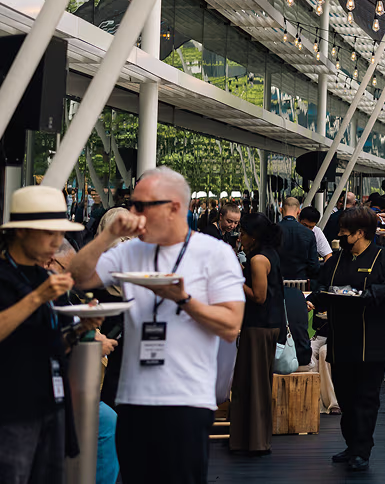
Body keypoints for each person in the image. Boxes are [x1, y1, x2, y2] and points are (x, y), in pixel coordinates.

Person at [66, 167, 245, 484]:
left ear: (173, 207)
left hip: (187, 400)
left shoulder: (215, 254)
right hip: (133, 399)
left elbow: (231, 325)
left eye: (141, 205)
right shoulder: (130, 250)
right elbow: (78, 276)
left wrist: (183, 299)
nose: (133, 212)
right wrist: (107, 235)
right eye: (131, 204)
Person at [0, 186, 92, 484]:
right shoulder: (7, 276)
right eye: (48, 233)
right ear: (22, 231)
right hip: (12, 412)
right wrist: (37, 298)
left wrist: (80, 329)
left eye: (59, 233)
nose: (57, 242)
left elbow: (49, 345)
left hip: (52, 404)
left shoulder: (44, 278)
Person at [314, 207, 385, 472]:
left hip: (372, 341)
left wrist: (366, 294)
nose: (341, 236)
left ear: (360, 233)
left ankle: (362, 450)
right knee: (344, 396)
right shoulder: (336, 261)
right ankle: (351, 443)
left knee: (366, 397)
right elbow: (322, 285)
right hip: (341, 339)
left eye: (345, 233)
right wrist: (314, 298)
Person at [230, 214, 285, 455]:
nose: (239, 237)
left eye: (242, 232)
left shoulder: (258, 260)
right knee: (252, 382)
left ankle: (255, 440)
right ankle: (248, 438)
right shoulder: (267, 254)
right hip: (265, 325)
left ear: (253, 236)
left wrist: (234, 279)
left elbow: (259, 296)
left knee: (253, 383)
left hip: (259, 326)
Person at [276, 197, 320, 368]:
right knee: (299, 327)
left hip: (276, 286)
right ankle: (299, 358)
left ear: (281, 209)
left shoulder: (273, 231)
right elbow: (314, 266)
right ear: (298, 211)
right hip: (300, 288)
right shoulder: (308, 234)